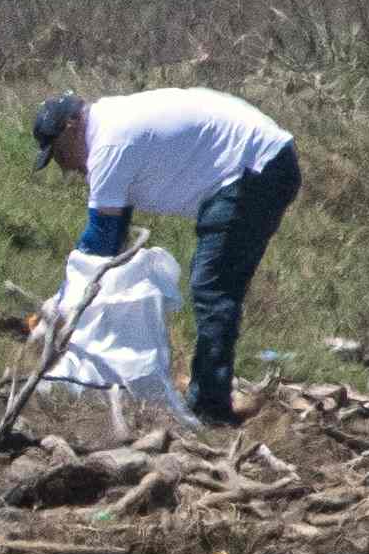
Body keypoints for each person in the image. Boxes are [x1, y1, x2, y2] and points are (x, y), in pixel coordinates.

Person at [31, 82, 302, 426]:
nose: (67, 169)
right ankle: (209, 396)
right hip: (262, 159)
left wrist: (60, 304)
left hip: (254, 167)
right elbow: (112, 240)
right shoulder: (111, 126)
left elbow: (101, 240)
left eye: (59, 156)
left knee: (212, 288)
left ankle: (211, 409)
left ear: (71, 128)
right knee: (214, 286)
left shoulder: (109, 144)